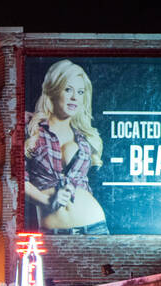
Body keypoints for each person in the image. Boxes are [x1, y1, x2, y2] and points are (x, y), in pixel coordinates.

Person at [24, 60, 108, 235]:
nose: (74, 97)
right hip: (53, 232)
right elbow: (15, 181)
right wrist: (45, 201)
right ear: (54, 90)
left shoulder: (84, 136)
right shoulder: (31, 129)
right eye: (68, 89)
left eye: (80, 92)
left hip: (95, 228)